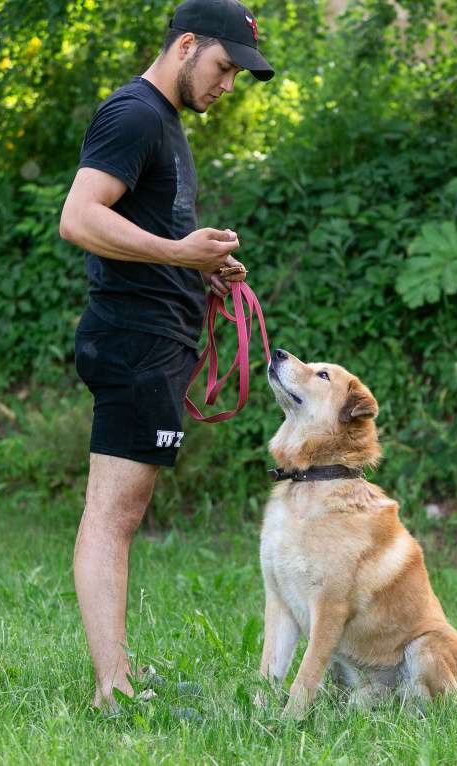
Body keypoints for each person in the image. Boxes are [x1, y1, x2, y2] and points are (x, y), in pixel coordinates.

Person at [58, 0, 274, 710]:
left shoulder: (165, 123)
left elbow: (140, 230)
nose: (227, 85)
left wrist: (196, 269)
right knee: (112, 513)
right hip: (133, 340)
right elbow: (80, 216)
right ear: (186, 45)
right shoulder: (136, 114)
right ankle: (109, 686)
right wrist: (178, 253)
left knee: (124, 510)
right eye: (222, 67)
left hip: (157, 338)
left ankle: (116, 669)